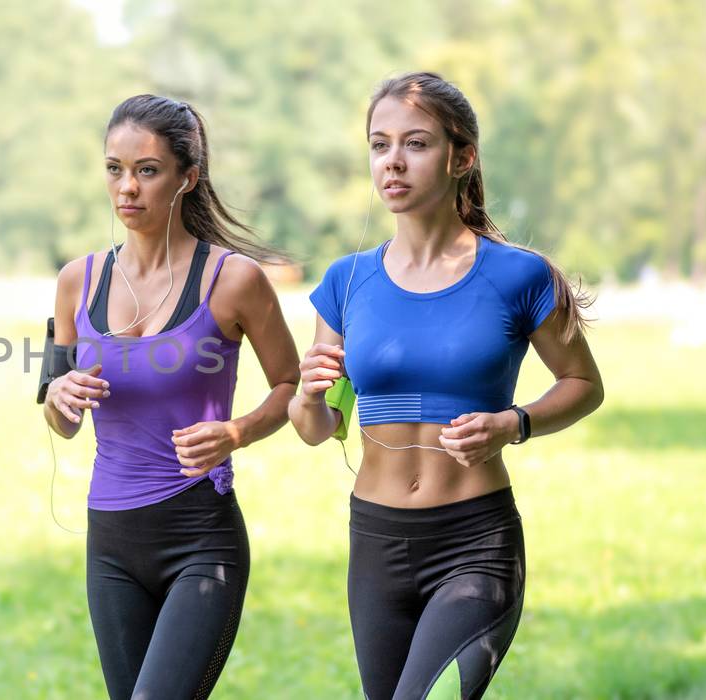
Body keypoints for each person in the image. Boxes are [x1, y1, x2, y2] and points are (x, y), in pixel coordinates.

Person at [288, 72, 605, 699]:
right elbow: (320, 429)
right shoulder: (347, 280)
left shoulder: (520, 276)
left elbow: (583, 383)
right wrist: (306, 396)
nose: (393, 163)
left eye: (416, 144)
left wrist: (514, 423)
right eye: (380, 146)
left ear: (462, 157)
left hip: (474, 541)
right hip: (375, 540)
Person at [42, 94, 300, 699]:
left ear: (188, 177)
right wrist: (58, 392)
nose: (127, 188)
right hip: (110, 544)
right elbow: (60, 421)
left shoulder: (234, 280)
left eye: (147, 170)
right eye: (114, 169)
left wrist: (237, 432)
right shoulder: (75, 282)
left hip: (200, 538)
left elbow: (289, 385)